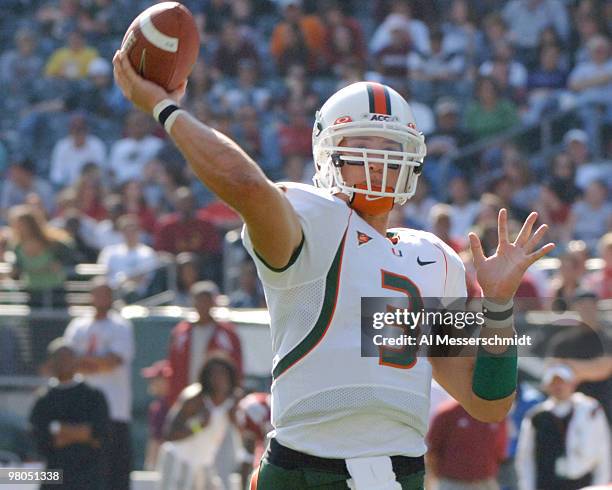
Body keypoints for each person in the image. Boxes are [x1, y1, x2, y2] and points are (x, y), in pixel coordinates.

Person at [113, 50, 555, 489]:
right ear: (327, 155)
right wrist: (165, 108)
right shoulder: (313, 220)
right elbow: (246, 185)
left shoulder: (434, 258)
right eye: (363, 144)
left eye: (392, 148)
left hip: (400, 473)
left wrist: (499, 305)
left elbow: (488, 404)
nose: (379, 160)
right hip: (306, 468)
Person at [63, 277, 134, 490]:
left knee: (115, 474)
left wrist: (84, 362)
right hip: (81, 413)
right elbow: (66, 361)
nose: (102, 298)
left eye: (106, 293)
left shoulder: (121, 325)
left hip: (114, 412)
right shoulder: (78, 325)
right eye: (98, 293)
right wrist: (96, 362)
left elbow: (113, 361)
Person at [29, 338, 109, 490]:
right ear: (50, 362)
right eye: (58, 358)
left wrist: (60, 430)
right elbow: (40, 439)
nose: (63, 363)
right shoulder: (43, 399)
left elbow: (99, 435)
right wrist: (80, 433)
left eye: (68, 358)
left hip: (88, 476)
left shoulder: (93, 396)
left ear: (76, 361)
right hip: (54, 477)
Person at [515, 364, 610, 490]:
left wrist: (600, 485)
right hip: (547, 483)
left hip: (583, 482)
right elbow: (525, 458)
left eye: (562, 382)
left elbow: (603, 451)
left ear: (572, 384)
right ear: (547, 386)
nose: (559, 386)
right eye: (554, 382)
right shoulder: (536, 416)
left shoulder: (590, 410)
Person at [166, 281, 243, 405]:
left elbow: (236, 365)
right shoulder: (181, 332)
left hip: (218, 398)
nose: (202, 304)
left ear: (213, 302)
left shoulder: (227, 333)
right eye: (199, 300)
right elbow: (173, 366)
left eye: (206, 300)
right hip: (187, 396)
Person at [426, 400, 507, 490]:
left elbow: (500, 452)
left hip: (485, 482)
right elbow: (432, 450)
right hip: (453, 483)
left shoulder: (496, 414)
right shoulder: (448, 412)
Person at [141, 359, 173, 470]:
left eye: (156, 378)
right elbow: (155, 439)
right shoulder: (157, 407)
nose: (151, 382)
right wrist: (150, 467)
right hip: (163, 464)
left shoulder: (185, 405)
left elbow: (196, 428)